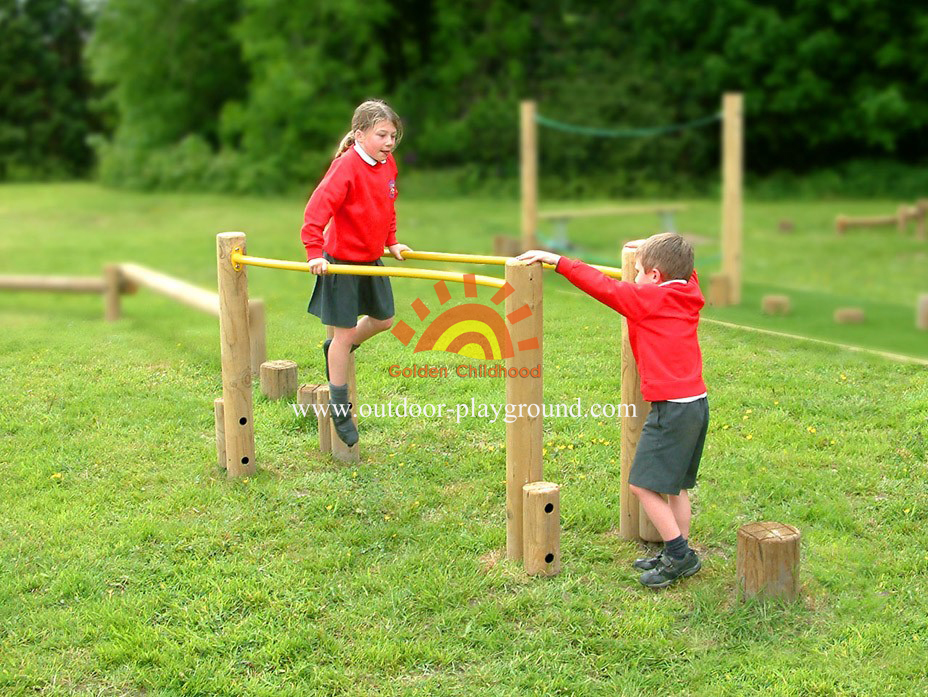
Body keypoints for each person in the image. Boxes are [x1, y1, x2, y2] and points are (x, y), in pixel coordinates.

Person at [518, 233, 708, 588]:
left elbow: (601, 286)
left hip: (671, 409)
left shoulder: (646, 299)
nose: (631, 277)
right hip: (696, 403)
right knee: (677, 486)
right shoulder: (689, 292)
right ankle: (677, 549)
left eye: (636, 271)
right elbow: (684, 269)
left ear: (653, 277)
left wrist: (555, 259)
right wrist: (654, 244)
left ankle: (680, 555)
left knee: (642, 485)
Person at [301, 99, 411, 446]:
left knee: (383, 320)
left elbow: (387, 204)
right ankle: (339, 406)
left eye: (393, 135)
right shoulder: (346, 167)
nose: (389, 142)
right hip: (341, 263)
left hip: (370, 259)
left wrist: (391, 241)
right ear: (360, 134)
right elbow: (316, 210)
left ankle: (338, 348)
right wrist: (314, 253)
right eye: (382, 135)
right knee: (343, 333)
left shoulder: (387, 163)